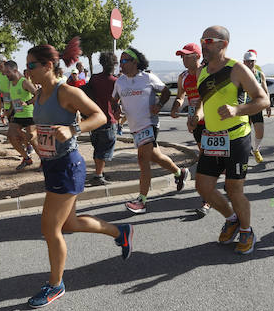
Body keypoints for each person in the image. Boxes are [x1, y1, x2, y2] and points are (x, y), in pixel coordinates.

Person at [24, 45, 133, 308]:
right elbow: (45, 126)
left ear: (48, 66)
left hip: (67, 166)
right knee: (68, 224)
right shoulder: (39, 95)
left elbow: (100, 116)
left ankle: (55, 285)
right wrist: (33, 135)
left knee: (50, 229)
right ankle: (120, 231)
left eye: (31, 66)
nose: (28, 71)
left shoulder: (66, 92)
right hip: (51, 164)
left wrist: (73, 129)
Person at [190, 26, 268, 253]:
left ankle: (246, 231)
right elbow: (204, 101)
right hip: (212, 138)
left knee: (234, 189)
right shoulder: (202, 72)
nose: (204, 44)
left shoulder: (238, 69)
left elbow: (263, 100)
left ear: (223, 44)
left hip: (236, 137)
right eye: (202, 39)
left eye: (209, 40)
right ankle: (232, 218)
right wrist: (197, 115)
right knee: (203, 187)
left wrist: (237, 110)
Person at [114, 46, 188, 214]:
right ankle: (179, 172)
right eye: (120, 61)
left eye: (124, 60)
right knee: (156, 156)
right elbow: (114, 99)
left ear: (134, 62)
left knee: (142, 159)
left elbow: (166, 92)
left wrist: (159, 105)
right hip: (134, 127)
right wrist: (116, 108)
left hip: (149, 124)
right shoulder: (120, 81)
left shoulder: (147, 77)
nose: (121, 64)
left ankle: (142, 201)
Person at [171, 42, 210, 215]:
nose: (183, 59)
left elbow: (204, 97)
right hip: (197, 124)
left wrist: (196, 115)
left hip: (213, 121)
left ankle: (207, 198)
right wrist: (176, 106)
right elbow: (181, 95)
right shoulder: (183, 76)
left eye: (187, 56)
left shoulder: (207, 72)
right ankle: (208, 192)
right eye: (182, 56)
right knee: (206, 157)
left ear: (197, 56)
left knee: (209, 158)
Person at [83, 52, 119, 185]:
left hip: (94, 119)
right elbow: (116, 101)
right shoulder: (115, 81)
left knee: (98, 148)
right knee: (104, 150)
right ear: (114, 65)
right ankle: (98, 176)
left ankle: (99, 172)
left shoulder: (94, 79)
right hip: (108, 120)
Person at [2, 60, 38, 170]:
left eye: (8, 72)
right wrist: (9, 111)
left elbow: (38, 94)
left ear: (15, 70)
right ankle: (26, 158)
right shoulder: (10, 84)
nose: (6, 74)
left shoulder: (24, 82)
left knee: (31, 138)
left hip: (29, 115)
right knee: (11, 136)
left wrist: (27, 103)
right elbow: (14, 100)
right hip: (18, 115)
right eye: (5, 72)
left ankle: (44, 161)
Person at [241, 50, 272, 164]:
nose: (250, 64)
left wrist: (268, 105)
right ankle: (245, 150)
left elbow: (265, 90)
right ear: (244, 62)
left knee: (260, 132)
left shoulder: (259, 74)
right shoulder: (241, 75)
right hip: (244, 107)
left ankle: (256, 149)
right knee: (245, 132)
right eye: (248, 62)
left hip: (257, 107)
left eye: (252, 61)